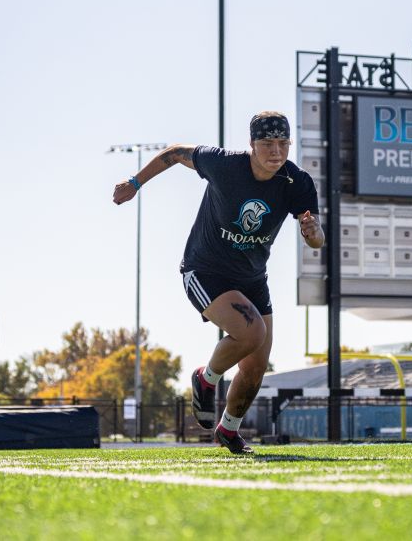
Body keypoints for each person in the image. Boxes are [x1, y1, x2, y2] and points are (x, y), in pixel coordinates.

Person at [113, 111, 323, 454]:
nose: (276, 152)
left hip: (253, 278)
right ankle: (206, 378)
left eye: (283, 144)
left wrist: (314, 234)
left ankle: (228, 430)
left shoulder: (296, 181)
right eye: (267, 144)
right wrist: (134, 183)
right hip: (205, 270)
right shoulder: (224, 164)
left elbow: (317, 239)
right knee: (253, 332)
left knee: (256, 366)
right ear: (251, 145)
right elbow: (174, 153)